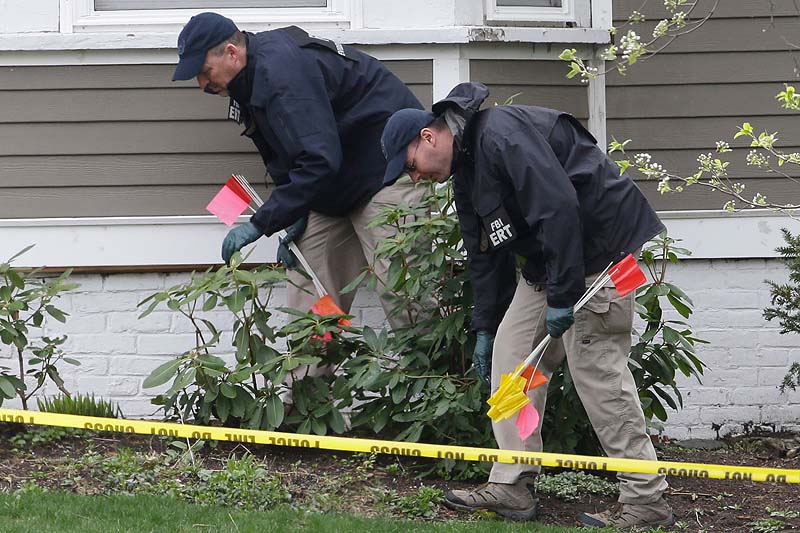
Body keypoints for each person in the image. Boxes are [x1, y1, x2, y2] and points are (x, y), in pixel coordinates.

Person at [380, 81, 674, 529]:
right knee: (512, 364)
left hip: (599, 257)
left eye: (411, 167)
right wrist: (484, 326)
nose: (415, 178)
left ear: (428, 137)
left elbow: (557, 208)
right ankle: (514, 483)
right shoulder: (466, 169)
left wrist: (563, 296)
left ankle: (645, 498)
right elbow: (485, 254)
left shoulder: (500, 134)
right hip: (550, 265)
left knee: (597, 373)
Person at [171, 13, 424, 382]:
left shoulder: (282, 74)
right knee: (311, 292)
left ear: (231, 52)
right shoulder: (247, 85)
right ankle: (304, 413)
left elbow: (319, 160)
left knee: (403, 294)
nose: (202, 84)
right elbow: (286, 156)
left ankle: (444, 412)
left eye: (205, 71)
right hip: (335, 181)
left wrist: (261, 223)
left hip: (386, 172)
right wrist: (294, 214)